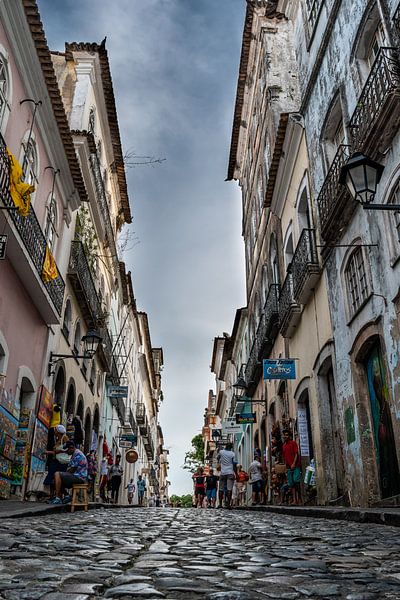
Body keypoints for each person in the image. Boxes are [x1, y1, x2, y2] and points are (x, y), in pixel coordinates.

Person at [44, 424, 69, 499]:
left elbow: (68, 449)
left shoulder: (64, 438)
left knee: (57, 479)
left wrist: (59, 450)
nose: (54, 431)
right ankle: (52, 496)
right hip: (55, 461)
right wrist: (48, 452)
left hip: (61, 463)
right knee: (51, 478)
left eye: (55, 430)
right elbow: (56, 452)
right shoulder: (57, 439)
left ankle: (60, 495)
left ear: (58, 431)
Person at [282, 429, 302, 504]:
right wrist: (286, 467)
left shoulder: (293, 443)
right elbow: (285, 457)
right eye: (284, 435)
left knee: (296, 482)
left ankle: (299, 498)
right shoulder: (284, 446)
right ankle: (294, 500)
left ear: (289, 436)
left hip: (296, 466)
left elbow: (296, 453)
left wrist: (293, 463)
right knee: (291, 484)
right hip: (289, 467)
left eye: (287, 435)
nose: (285, 436)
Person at [217, 442, 237, 509]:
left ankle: (220, 504)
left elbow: (218, 458)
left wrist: (220, 462)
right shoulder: (232, 454)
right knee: (229, 489)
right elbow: (234, 464)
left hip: (223, 473)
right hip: (230, 472)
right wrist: (236, 473)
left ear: (225, 446)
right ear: (231, 447)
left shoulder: (221, 452)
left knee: (221, 489)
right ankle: (228, 504)